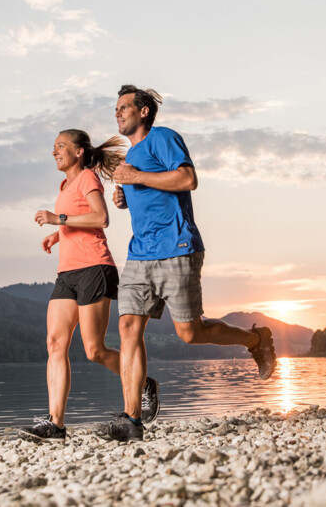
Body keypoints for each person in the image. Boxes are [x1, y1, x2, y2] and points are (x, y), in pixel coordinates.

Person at [96, 86, 277, 442]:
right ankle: (132, 421)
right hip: (139, 254)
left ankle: (256, 340)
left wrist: (136, 179)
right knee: (129, 327)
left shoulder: (163, 138)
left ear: (144, 111)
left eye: (124, 108)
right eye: (115, 109)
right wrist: (125, 198)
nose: (117, 113)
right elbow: (150, 194)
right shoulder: (131, 154)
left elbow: (187, 179)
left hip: (177, 248)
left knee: (190, 333)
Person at [18, 129, 160, 442]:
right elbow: (77, 220)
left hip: (95, 268)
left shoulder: (87, 178)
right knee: (55, 343)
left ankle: (144, 383)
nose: (54, 151)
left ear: (79, 152)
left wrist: (59, 219)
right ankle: (55, 425)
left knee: (94, 350)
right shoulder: (65, 185)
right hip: (67, 273)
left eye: (61, 146)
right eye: (53, 146)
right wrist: (59, 234)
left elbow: (100, 217)